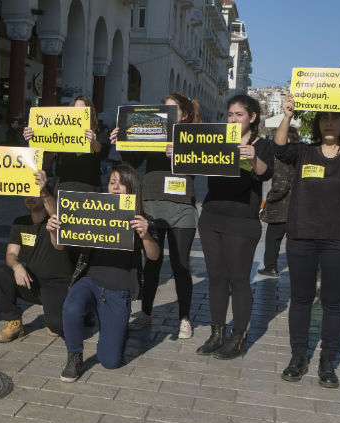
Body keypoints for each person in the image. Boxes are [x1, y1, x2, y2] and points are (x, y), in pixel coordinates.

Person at [275, 95, 340, 389]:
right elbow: (279, 147)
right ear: (317, 123)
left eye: (336, 117)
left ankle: (327, 361)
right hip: (302, 236)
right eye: (324, 118)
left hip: (339, 239)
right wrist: (287, 115)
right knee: (301, 300)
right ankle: (298, 357)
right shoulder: (304, 151)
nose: (330, 122)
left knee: (334, 303)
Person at [46, 164, 161, 382]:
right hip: (89, 280)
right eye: (111, 182)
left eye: (121, 183)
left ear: (132, 188)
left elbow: (154, 256)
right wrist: (54, 232)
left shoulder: (141, 218)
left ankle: (115, 331)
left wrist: (145, 235)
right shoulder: (93, 209)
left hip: (118, 290)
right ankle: (74, 355)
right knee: (71, 306)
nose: (115, 187)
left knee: (110, 361)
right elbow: (60, 246)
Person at [112, 93, 201, 338]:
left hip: (182, 206)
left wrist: (181, 154)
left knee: (180, 265)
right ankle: (146, 312)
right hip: (151, 203)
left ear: (184, 114)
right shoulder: (150, 131)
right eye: (165, 109)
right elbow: (133, 160)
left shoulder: (193, 137)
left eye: (174, 110)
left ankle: (184, 318)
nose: (169, 113)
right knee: (151, 263)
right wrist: (122, 141)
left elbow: (207, 163)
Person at [195, 94, 274, 360]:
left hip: (242, 220)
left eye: (239, 114)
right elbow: (192, 158)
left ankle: (238, 337)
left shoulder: (261, 144)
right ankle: (217, 333)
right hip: (211, 215)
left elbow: (265, 172)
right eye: (229, 114)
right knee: (216, 277)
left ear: (252, 117)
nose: (232, 119)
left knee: (238, 279)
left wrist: (253, 158)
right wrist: (177, 153)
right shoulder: (217, 140)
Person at [0, 170, 71, 342]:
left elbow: (55, 212)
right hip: (33, 281)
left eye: (34, 194)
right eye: (26, 193)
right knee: (1, 272)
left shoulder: (56, 220)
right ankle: (14, 321)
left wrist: (43, 190)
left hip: (57, 284)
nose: (29, 197)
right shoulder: (20, 222)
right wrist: (16, 266)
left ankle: (75, 311)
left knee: (58, 327)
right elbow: (11, 254)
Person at [23, 96, 110, 192]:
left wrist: (93, 142)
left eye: (82, 110)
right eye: (75, 110)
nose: (78, 114)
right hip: (64, 186)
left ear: (90, 113)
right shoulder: (61, 133)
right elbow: (42, 151)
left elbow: (103, 153)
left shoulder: (100, 135)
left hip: (89, 188)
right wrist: (32, 137)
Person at [258, 126, 300, 277]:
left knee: (273, 239)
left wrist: (268, 200)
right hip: (296, 206)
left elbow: (280, 185)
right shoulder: (300, 156)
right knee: (295, 241)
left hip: (281, 207)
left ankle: (270, 267)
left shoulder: (283, 158)